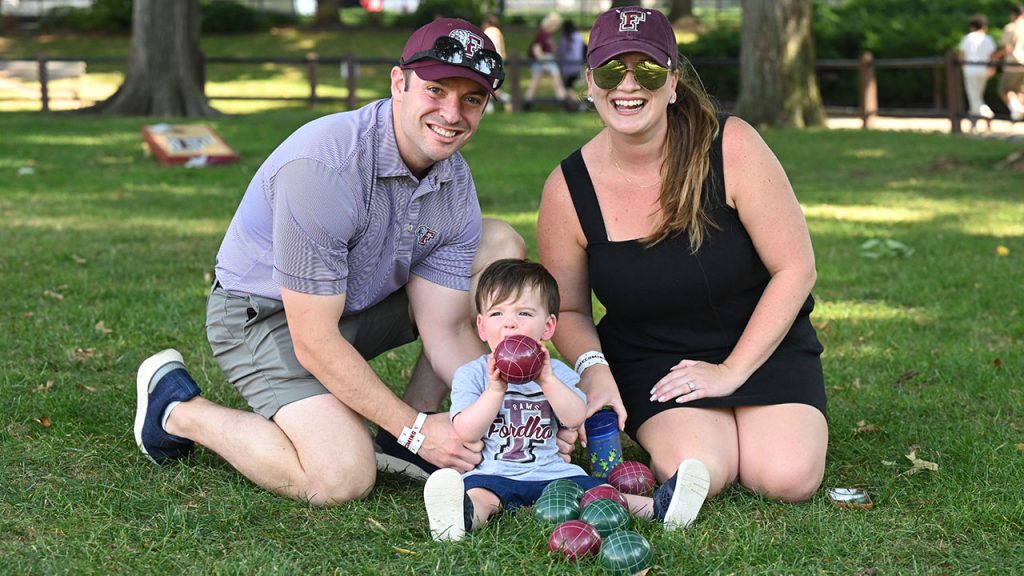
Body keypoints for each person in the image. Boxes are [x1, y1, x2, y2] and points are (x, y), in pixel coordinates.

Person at [132, 19, 533, 506]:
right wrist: (418, 433)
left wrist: (519, 414)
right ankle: (177, 408)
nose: (452, 113)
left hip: (351, 303)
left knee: (497, 246)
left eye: (472, 98)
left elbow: (446, 329)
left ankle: (404, 430)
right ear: (398, 83)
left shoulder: (454, 182)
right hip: (265, 318)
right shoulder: (324, 167)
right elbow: (314, 340)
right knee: (340, 478)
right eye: (436, 89)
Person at [537, 6, 828, 506]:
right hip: (653, 355)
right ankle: (699, 436)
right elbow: (567, 309)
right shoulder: (567, 189)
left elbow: (795, 268)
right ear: (589, 81)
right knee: (698, 469)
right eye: (611, 70)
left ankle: (750, 418)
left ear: (672, 82)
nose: (628, 85)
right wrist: (593, 369)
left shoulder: (730, 145)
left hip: (760, 343)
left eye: (647, 69)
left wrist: (732, 372)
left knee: (785, 478)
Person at [422, 259, 711, 541]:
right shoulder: (472, 374)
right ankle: (461, 516)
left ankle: (661, 508)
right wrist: (495, 391)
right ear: (482, 327)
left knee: (600, 493)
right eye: (498, 314)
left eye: (523, 313)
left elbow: (575, 416)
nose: (510, 324)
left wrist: (547, 381)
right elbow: (465, 430)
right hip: (495, 474)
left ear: (547, 327)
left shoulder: (558, 373)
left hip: (555, 473)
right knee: (479, 495)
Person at [523, 12, 573, 112]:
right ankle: (564, 103)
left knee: (537, 83)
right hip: (545, 60)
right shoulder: (543, 34)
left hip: (546, 60)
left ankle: (526, 104)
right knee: (556, 80)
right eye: (555, 25)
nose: (556, 27)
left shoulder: (546, 34)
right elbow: (536, 49)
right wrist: (544, 63)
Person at [958, 14, 997, 132]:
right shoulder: (988, 39)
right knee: (977, 96)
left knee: (974, 97)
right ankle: (973, 123)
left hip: (970, 70)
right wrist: (993, 68)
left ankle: (987, 114)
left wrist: (963, 67)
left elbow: (962, 55)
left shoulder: (968, 38)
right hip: (983, 70)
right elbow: (992, 56)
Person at [481, 13, 512, 113]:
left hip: (491, 63)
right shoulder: (497, 32)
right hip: (498, 62)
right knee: (488, 87)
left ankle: (507, 99)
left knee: (489, 88)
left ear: (487, 23)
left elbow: (488, 48)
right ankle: (489, 109)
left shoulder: (490, 32)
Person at [998, 5, 1024, 121]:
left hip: (1013, 62)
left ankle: (1017, 110)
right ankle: (1018, 112)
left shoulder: (1010, 28)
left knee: (1004, 89)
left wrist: (996, 57)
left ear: (1013, 14)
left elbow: (1007, 48)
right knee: (1020, 91)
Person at [557, 19, 586, 95]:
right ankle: (572, 103)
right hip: (578, 65)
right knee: (569, 86)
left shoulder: (565, 39)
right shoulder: (579, 36)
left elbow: (560, 53)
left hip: (568, 67)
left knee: (567, 87)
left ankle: (575, 103)